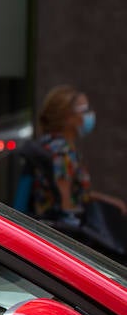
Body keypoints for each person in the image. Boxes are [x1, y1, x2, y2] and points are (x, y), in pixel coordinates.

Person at [32, 85, 127, 256]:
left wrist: (106, 200)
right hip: (65, 236)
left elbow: (76, 191)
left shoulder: (50, 143)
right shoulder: (63, 151)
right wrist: (77, 247)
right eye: (84, 110)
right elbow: (65, 202)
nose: (89, 115)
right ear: (67, 117)